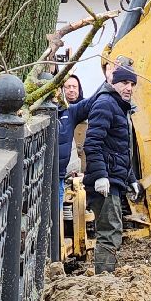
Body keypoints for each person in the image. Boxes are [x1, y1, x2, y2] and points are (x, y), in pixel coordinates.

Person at [84, 66, 138, 275]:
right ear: (113, 83)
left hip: (114, 180)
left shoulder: (119, 107)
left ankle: (107, 275)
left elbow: (120, 148)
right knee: (110, 230)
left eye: (132, 84)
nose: (129, 88)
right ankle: (104, 280)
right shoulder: (106, 104)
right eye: (125, 82)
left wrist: (131, 177)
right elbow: (92, 143)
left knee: (112, 229)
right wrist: (100, 176)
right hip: (105, 183)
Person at [57, 74, 93, 205]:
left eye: (74, 87)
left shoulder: (82, 111)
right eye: (68, 87)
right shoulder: (60, 112)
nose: (71, 90)